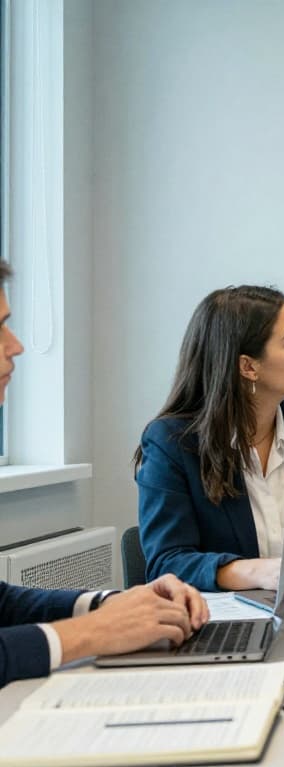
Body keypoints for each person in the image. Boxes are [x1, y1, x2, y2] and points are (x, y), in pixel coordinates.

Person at [0, 261, 208, 687]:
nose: (17, 345)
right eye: (1, 327)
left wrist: (113, 604)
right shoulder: (168, 439)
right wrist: (92, 633)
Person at [135, 286, 284, 592]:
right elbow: (166, 563)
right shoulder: (172, 443)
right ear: (248, 366)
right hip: (222, 624)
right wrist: (257, 573)